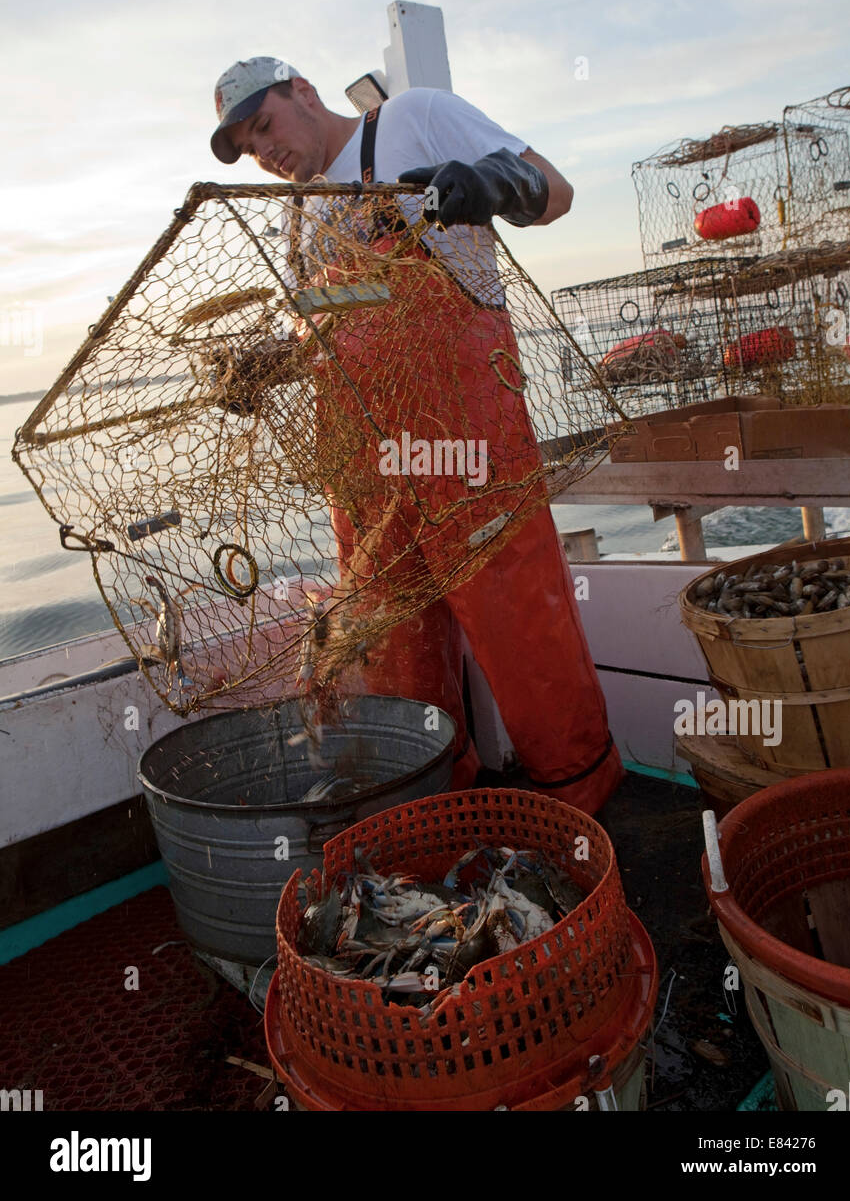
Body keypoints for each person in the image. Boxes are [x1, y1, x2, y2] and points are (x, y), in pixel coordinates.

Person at [209, 56, 623, 814]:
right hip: (365, 469)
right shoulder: (295, 216)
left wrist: (495, 184)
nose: (263, 153)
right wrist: (269, 364)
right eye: (245, 147)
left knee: (520, 620)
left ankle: (580, 797)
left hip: (468, 445)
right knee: (396, 652)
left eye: (264, 124)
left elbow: (555, 191)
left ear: (303, 92)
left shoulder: (411, 120)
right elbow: (326, 330)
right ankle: (439, 806)